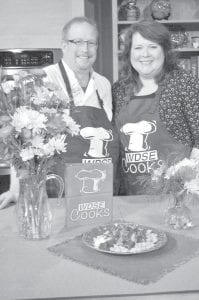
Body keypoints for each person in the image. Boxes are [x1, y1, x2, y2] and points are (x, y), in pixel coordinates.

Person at [0, 16, 119, 208]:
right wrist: (16, 188)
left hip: (96, 189)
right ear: (64, 45)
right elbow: (22, 140)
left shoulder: (103, 84)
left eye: (91, 42)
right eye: (77, 41)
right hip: (54, 190)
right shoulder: (43, 80)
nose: (85, 49)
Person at [112, 20, 199, 195]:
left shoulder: (184, 83)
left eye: (152, 47)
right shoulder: (118, 89)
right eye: (138, 48)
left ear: (165, 51)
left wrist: (193, 184)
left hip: (177, 195)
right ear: (129, 53)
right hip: (131, 193)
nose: (145, 54)